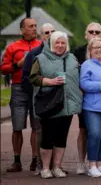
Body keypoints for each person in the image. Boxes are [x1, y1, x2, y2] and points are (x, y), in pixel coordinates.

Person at [29, 31, 82, 179]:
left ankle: (57, 167)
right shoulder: (40, 59)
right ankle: (45, 168)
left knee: (61, 137)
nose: (60, 45)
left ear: (67, 44)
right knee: (47, 136)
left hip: (68, 104)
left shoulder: (72, 58)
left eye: (63, 43)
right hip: (49, 104)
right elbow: (33, 78)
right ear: (51, 43)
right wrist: (49, 81)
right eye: (57, 42)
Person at [73, 22, 101, 175]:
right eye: (96, 48)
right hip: (92, 106)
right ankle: (91, 164)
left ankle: (99, 164)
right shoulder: (86, 65)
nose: (99, 50)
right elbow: (84, 84)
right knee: (95, 134)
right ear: (90, 50)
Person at [0, 17, 41, 172]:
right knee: (17, 126)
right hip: (18, 89)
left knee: (36, 126)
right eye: (30, 26)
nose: (34, 29)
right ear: (22, 30)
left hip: (36, 88)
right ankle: (16, 161)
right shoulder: (13, 47)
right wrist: (18, 64)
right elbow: (3, 69)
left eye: (35, 26)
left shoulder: (41, 46)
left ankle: (35, 159)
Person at [22, 23, 56, 174]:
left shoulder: (62, 52)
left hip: (57, 100)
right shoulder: (33, 54)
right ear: (41, 36)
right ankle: (40, 163)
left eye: (52, 32)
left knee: (55, 132)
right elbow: (26, 78)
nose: (50, 34)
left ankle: (55, 164)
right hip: (39, 100)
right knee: (39, 131)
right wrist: (35, 97)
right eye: (46, 32)